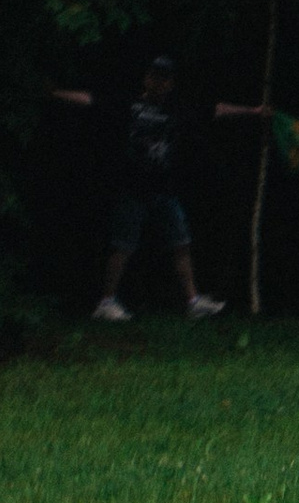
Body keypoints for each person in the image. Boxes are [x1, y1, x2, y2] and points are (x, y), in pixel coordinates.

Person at [48, 55, 272, 321]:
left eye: (165, 78)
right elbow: (91, 99)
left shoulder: (176, 109)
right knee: (123, 246)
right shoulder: (130, 105)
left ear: (170, 83)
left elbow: (215, 109)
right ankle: (106, 302)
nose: (159, 82)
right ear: (146, 79)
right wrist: (55, 93)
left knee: (181, 242)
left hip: (163, 189)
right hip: (133, 188)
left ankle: (193, 301)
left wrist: (253, 111)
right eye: (155, 76)